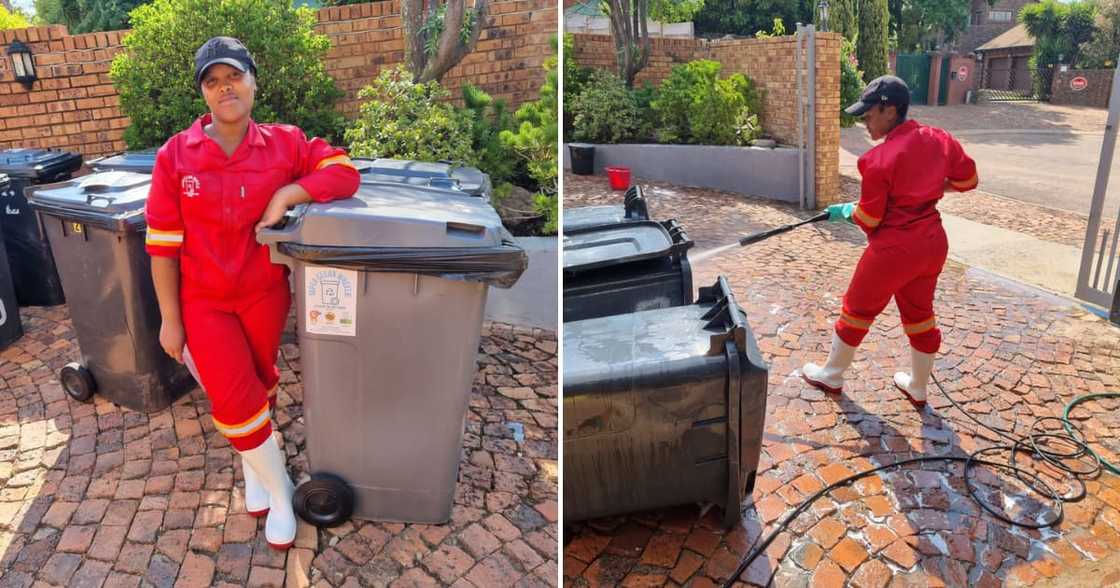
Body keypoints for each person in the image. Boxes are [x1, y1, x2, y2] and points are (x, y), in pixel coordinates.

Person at [145, 36, 360, 550]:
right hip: (204, 302)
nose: (226, 89)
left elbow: (343, 173)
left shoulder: (286, 144)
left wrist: (290, 191)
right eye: (213, 82)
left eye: (234, 76)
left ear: (252, 80)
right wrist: (169, 319)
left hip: (264, 293)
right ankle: (282, 489)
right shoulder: (176, 155)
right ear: (203, 94)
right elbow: (162, 247)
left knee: (259, 381)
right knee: (233, 394)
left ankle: (252, 472)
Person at [801, 75, 978, 407]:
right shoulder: (941, 139)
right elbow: (968, 180)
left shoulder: (877, 160)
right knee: (920, 314)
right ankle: (918, 386)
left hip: (894, 250)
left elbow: (869, 218)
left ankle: (832, 374)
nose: (866, 123)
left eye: (869, 115)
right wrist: (933, 189)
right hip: (933, 244)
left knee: (857, 308)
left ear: (890, 109)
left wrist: (846, 211)